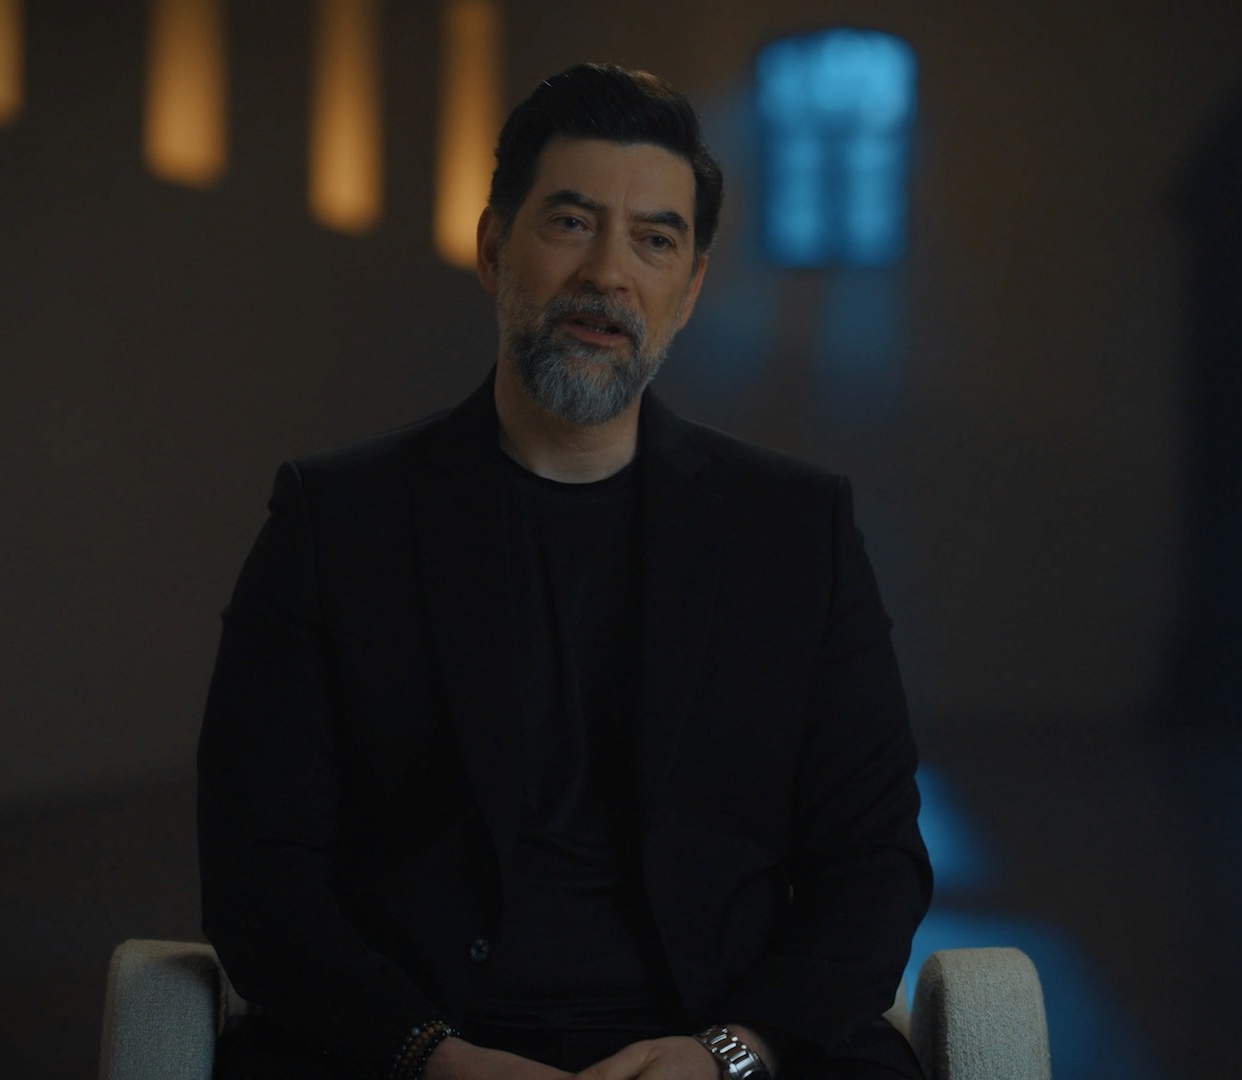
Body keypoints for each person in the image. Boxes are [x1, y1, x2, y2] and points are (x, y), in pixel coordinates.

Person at [197, 63, 931, 1080]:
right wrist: (432, 1057)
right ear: (493, 248)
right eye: (573, 223)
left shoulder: (797, 532)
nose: (608, 274)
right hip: (414, 1049)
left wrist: (733, 1053)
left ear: (690, 289)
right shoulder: (335, 523)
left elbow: (875, 862)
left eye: (655, 240)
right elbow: (258, 872)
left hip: (714, 1044)